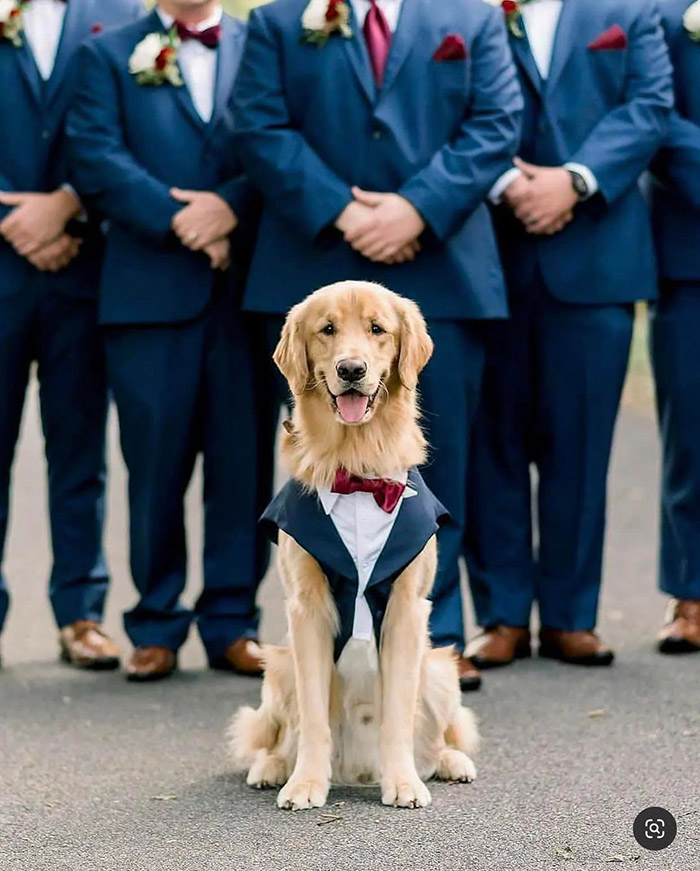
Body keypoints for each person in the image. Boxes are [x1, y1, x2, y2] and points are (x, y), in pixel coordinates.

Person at [231, 0, 523, 692]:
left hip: (441, 265)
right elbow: (258, 125)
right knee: (318, 460)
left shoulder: (472, 20)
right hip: (313, 268)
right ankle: (323, 642)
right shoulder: (279, 22)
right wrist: (343, 209)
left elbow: (496, 124)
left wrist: (415, 206)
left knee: (438, 460)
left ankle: (431, 639)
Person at [464, 0, 673, 669]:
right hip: (489, 254)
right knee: (489, 444)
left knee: (581, 449)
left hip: (599, 262)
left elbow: (648, 107)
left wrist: (574, 182)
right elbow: (453, 105)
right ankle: (500, 614)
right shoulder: (469, 12)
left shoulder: (629, 12)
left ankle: (570, 615)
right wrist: (508, 183)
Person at [67, 0, 263, 681]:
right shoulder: (105, 50)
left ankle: (234, 620)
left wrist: (229, 207)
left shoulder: (261, 39)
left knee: (242, 465)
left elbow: (280, 135)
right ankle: (154, 619)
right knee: (153, 465)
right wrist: (181, 220)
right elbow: (94, 154)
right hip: (147, 295)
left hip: (245, 297)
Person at [0, 0, 145, 670]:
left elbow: (132, 131)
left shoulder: (125, 14)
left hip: (85, 269)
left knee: (80, 448)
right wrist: (15, 220)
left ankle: (81, 611)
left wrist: (67, 204)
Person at [649, 0, 700, 654]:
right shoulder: (662, 15)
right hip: (692, 251)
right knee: (691, 427)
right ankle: (693, 590)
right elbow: (654, 116)